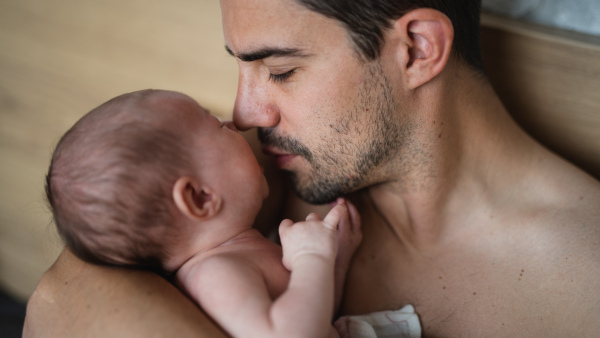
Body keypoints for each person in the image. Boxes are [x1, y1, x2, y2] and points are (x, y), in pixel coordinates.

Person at [25, 0, 600, 336]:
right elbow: (57, 301)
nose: (245, 114)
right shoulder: (262, 181)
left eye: (279, 71)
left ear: (417, 50)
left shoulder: (584, 283)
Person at [43, 89, 363, 337]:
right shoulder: (215, 275)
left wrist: (338, 262)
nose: (234, 123)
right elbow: (294, 333)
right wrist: (312, 258)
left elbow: (315, 318)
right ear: (200, 197)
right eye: (217, 125)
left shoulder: (235, 255)